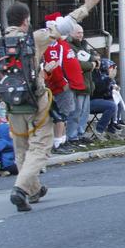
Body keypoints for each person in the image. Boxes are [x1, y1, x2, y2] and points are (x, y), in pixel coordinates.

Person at [0, 0, 105, 212]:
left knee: (21, 146)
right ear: (26, 21)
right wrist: (86, 6)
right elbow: (66, 25)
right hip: (35, 99)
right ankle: (20, 189)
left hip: (11, 103)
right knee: (40, 146)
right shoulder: (35, 38)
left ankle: (34, 189)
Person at [42, 14, 83, 153]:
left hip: (66, 85)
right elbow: (54, 67)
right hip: (58, 86)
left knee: (65, 115)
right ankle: (58, 142)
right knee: (60, 115)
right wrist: (63, 82)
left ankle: (63, 140)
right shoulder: (49, 48)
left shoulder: (59, 45)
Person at [66, 23, 98, 144]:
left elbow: (92, 58)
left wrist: (94, 62)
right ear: (71, 33)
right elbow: (77, 64)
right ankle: (72, 136)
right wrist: (92, 65)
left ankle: (80, 133)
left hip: (86, 84)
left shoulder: (82, 46)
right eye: (78, 33)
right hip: (77, 85)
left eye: (82, 33)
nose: (81, 35)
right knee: (76, 112)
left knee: (84, 112)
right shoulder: (69, 46)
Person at [89, 59, 120, 139]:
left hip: (97, 99)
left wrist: (112, 88)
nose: (98, 62)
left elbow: (102, 90)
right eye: (96, 60)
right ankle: (99, 131)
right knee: (112, 106)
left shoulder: (98, 73)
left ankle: (111, 129)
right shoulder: (91, 73)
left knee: (115, 102)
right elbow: (98, 89)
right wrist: (109, 78)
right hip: (90, 101)